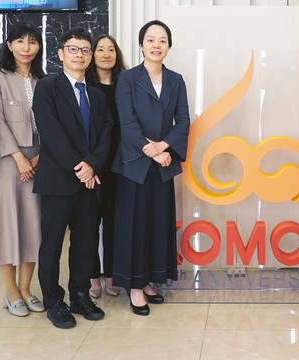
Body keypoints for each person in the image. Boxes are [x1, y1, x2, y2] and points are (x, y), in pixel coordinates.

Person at [32, 28, 112, 328]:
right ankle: (54, 301)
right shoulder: (48, 87)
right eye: (73, 49)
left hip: (90, 183)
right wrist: (80, 167)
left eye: (85, 50)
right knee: (52, 244)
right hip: (59, 180)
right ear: (60, 53)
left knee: (85, 242)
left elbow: (106, 135)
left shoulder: (97, 96)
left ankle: (80, 295)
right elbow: (51, 133)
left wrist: (92, 165)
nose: (80, 55)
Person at [111, 19, 190, 316]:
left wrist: (164, 147)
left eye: (162, 40)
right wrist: (153, 152)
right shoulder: (128, 79)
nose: (156, 45)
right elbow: (127, 123)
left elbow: (183, 121)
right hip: (135, 165)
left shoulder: (176, 80)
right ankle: (134, 286)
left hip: (163, 164)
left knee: (157, 224)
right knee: (134, 226)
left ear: (169, 46)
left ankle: (148, 280)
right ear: (141, 45)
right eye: (151, 40)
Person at [0, 22, 46, 316]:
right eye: (20, 41)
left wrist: (41, 156)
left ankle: (26, 289)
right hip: (9, 162)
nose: (26, 48)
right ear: (9, 45)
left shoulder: (44, 81)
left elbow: (52, 124)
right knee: (7, 225)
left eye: (32, 42)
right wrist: (18, 157)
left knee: (33, 224)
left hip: (39, 161)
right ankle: (11, 292)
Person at [84, 34, 127, 298]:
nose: (106, 54)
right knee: (90, 222)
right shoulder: (85, 85)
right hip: (92, 164)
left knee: (114, 223)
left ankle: (112, 274)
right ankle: (92, 276)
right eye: (100, 49)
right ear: (92, 55)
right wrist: (90, 163)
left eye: (111, 49)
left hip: (119, 164)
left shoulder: (126, 84)